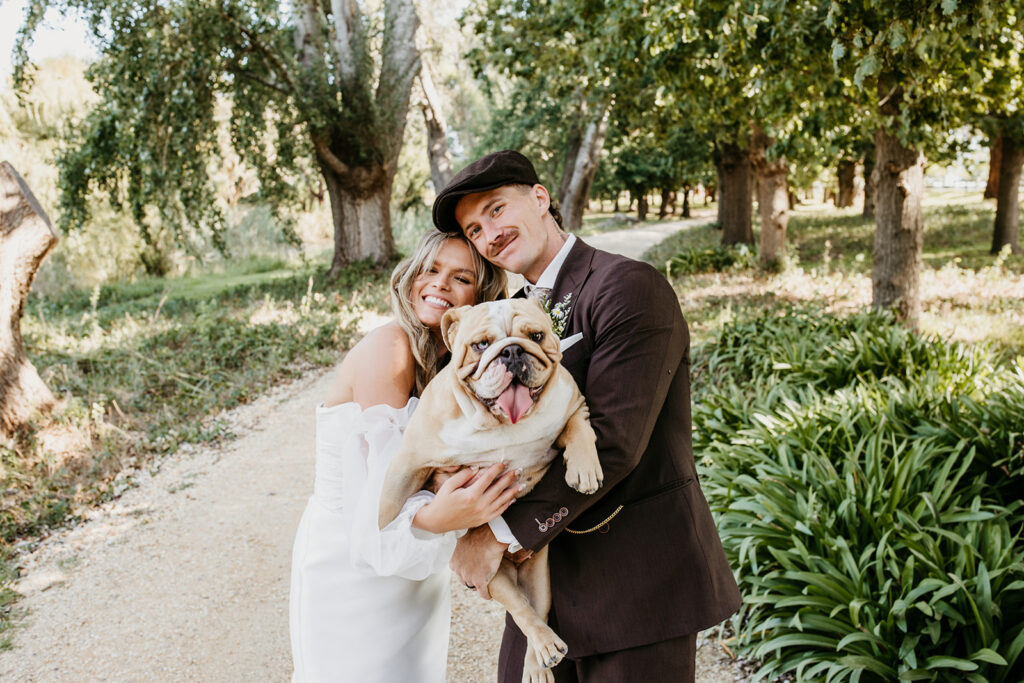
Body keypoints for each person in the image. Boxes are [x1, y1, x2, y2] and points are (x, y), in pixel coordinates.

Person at [432, 150, 742, 681]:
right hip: (548, 592)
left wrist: (496, 535)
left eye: (497, 210)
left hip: (635, 586)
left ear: (540, 197)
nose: (490, 234)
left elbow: (615, 442)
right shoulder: (510, 315)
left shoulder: (627, 287)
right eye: (476, 229)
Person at [289, 230, 517, 683]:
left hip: (414, 563)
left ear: (481, 294)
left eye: (461, 277)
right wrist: (439, 519)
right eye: (431, 269)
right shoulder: (390, 347)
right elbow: (386, 491)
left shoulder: (452, 362)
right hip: (355, 559)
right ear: (412, 275)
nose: (439, 284)